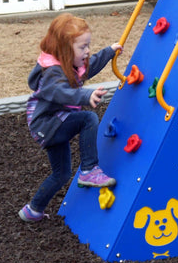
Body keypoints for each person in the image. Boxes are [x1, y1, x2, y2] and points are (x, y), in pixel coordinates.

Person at [18, 13, 123, 222]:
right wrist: (86, 95)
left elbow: (89, 65)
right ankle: (89, 169)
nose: (87, 51)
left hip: (54, 123)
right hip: (47, 124)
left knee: (62, 174)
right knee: (88, 119)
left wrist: (109, 52)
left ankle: (33, 210)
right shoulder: (52, 74)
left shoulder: (71, 64)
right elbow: (62, 92)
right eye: (82, 47)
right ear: (65, 50)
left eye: (88, 45)